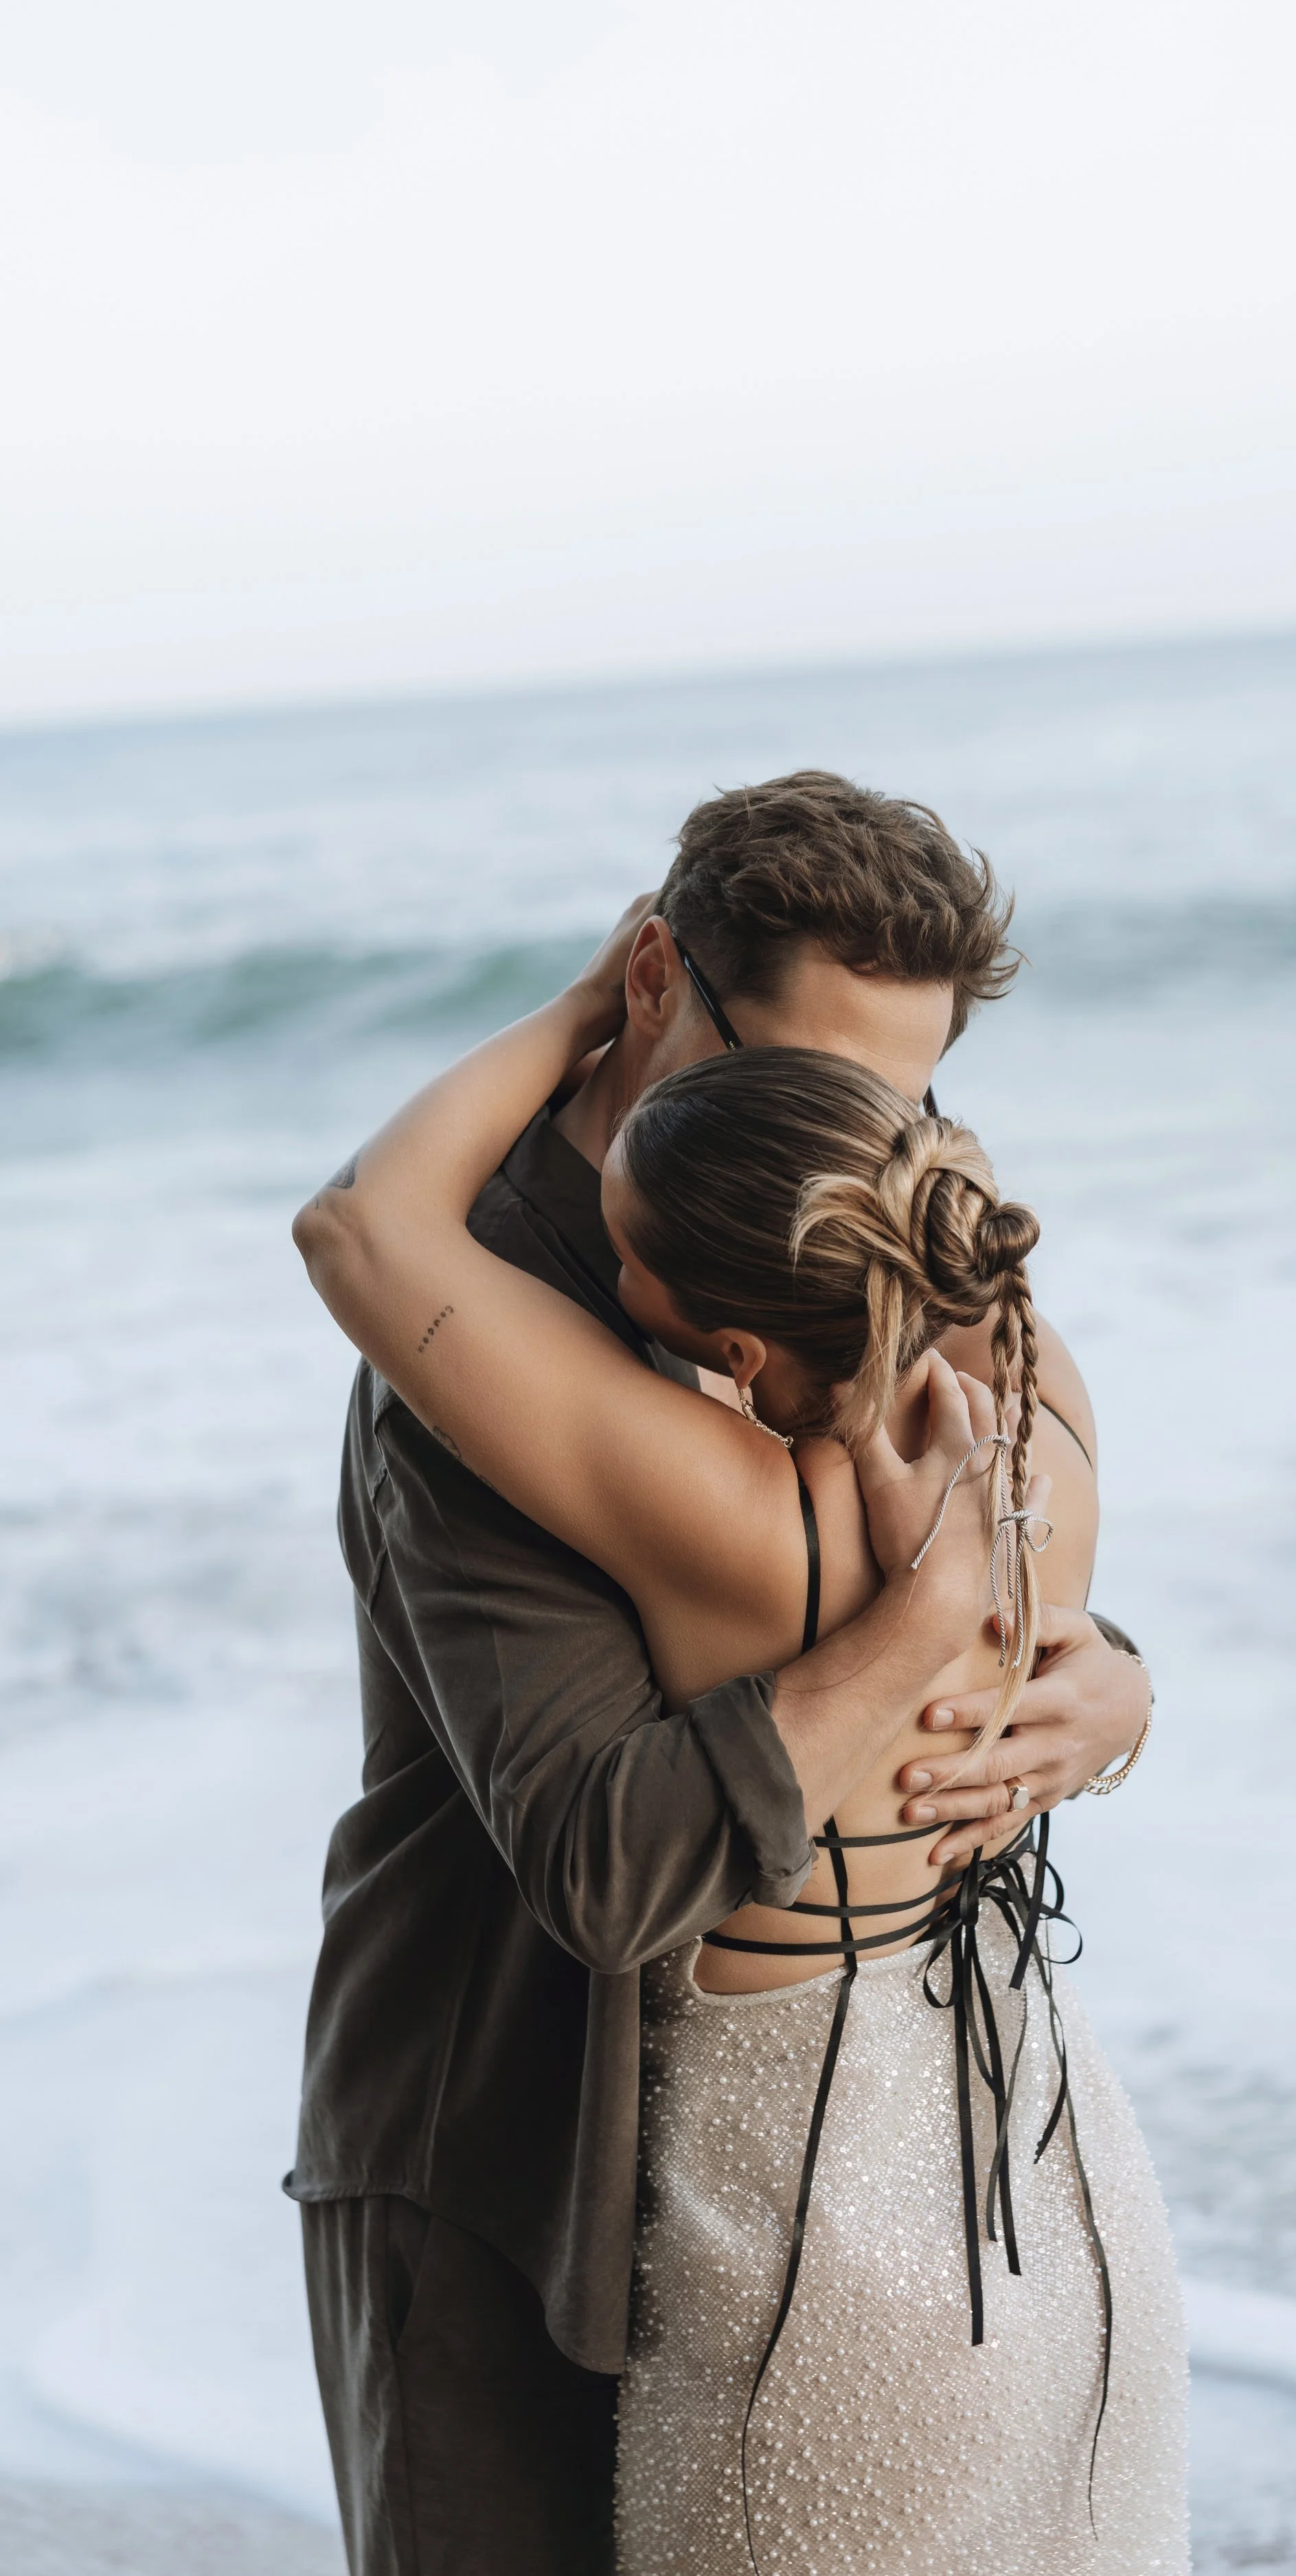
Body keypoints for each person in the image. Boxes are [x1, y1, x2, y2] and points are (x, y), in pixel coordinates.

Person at [286, 774, 1158, 2575]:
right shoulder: (481, 1326)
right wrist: (929, 1625)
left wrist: (1101, 1683)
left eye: (896, 1102)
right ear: (660, 971)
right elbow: (608, 1863)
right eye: (808, 1074)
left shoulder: (867, 1222)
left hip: (853, 2163)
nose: (852, 1134)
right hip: (510, 2151)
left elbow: (1014, 1590)